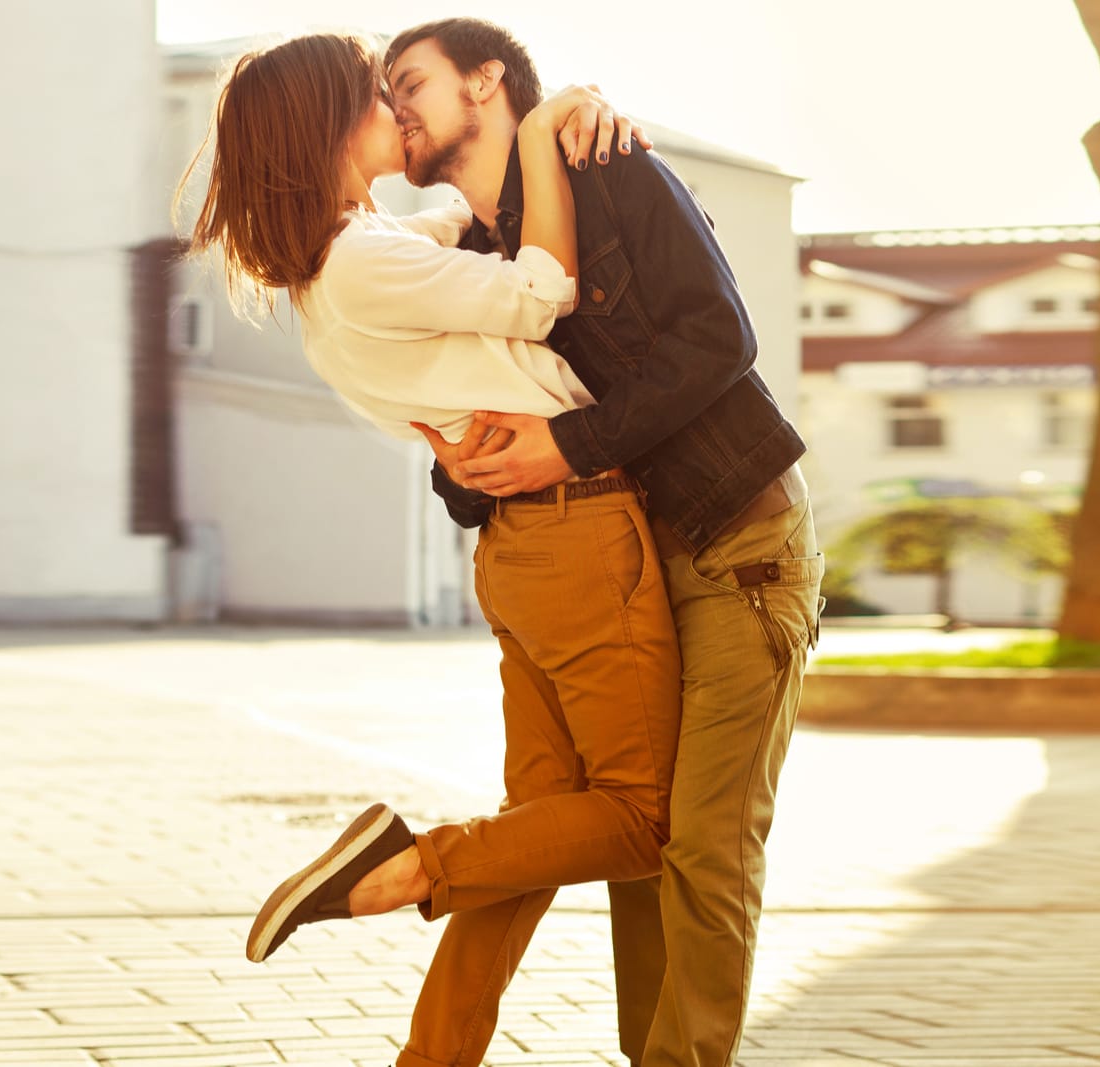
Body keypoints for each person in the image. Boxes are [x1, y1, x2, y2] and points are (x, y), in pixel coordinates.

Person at [176, 32, 684, 1063]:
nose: (393, 110)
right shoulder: (363, 263)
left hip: (533, 548)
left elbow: (453, 221)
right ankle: (406, 864)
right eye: (374, 95)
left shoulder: (355, 251)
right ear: (329, 126)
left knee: (537, 829)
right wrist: (542, 131)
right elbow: (544, 292)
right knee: (643, 818)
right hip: (581, 531)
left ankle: (433, 1056)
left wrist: (517, 144)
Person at [384, 18, 825, 1067]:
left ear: (486, 79)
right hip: (621, 574)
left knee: (706, 846)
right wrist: (468, 465)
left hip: (736, 536)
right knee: (643, 838)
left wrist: (564, 446)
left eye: (411, 82)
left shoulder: (610, 164)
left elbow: (721, 337)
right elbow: (477, 467)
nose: (395, 108)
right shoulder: (479, 260)